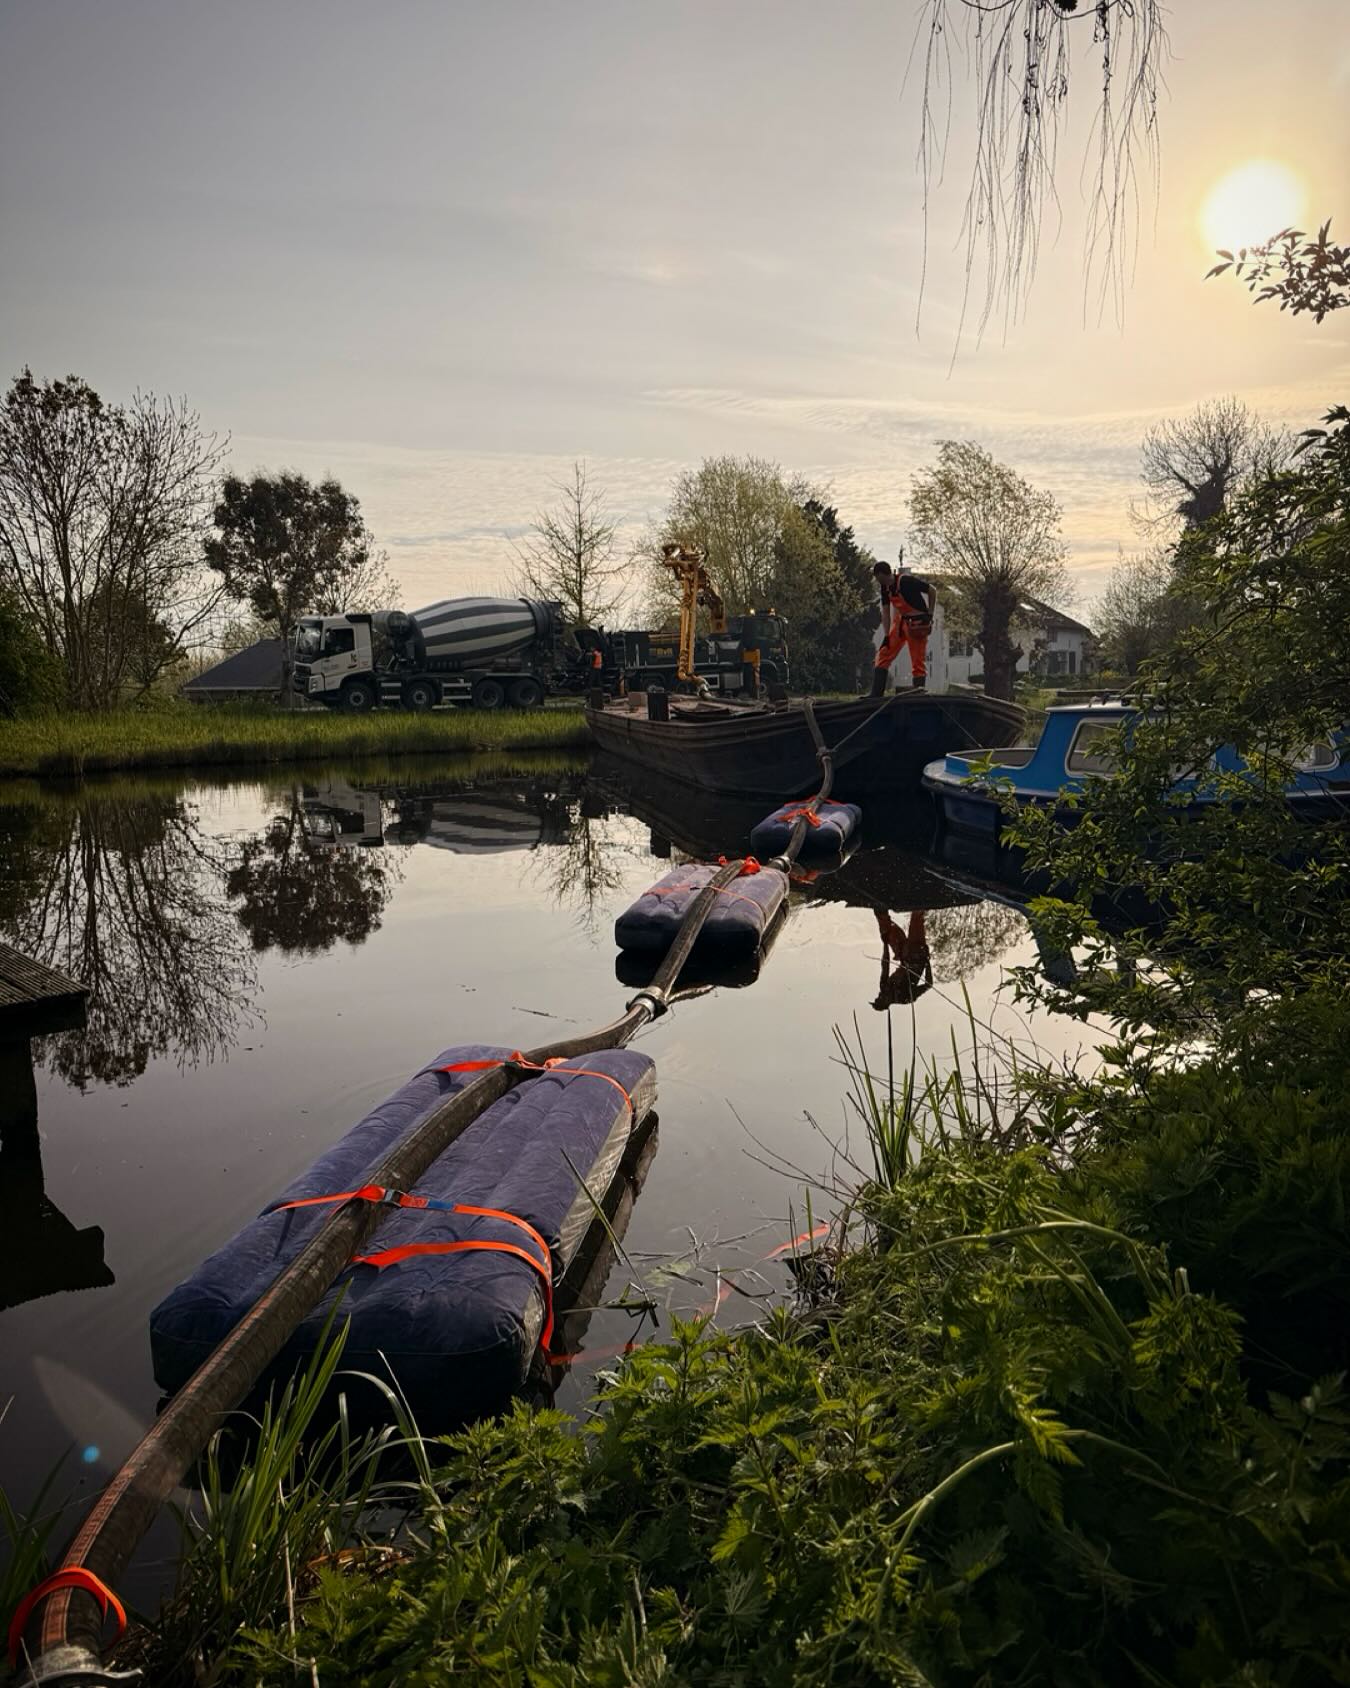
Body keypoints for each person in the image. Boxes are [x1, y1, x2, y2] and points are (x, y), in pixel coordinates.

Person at [868, 552, 936, 697]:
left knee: (918, 662)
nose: (879, 582)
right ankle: (876, 694)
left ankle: (918, 694)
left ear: (885, 574)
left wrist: (929, 615)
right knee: (883, 654)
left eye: (879, 578)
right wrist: (886, 635)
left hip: (917, 624)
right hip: (900, 623)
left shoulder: (906, 581)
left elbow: (932, 590)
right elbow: (885, 612)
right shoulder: (885, 588)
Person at [872, 908, 933, 1010]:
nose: (879, 995)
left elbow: (885, 965)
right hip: (916, 956)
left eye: (878, 997)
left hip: (903, 956)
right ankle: (920, 901)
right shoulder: (905, 998)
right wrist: (927, 962)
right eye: (879, 999)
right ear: (885, 1003)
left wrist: (885, 943)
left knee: (886, 930)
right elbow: (928, 984)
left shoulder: (884, 988)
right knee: (916, 917)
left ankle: (879, 907)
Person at [738, 608, 762, 699]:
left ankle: (754, 694)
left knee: (751, 673)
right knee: (753, 674)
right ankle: (755, 694)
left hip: (749, 652)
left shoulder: (751, 647)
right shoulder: (754, 650)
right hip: (750, 653)